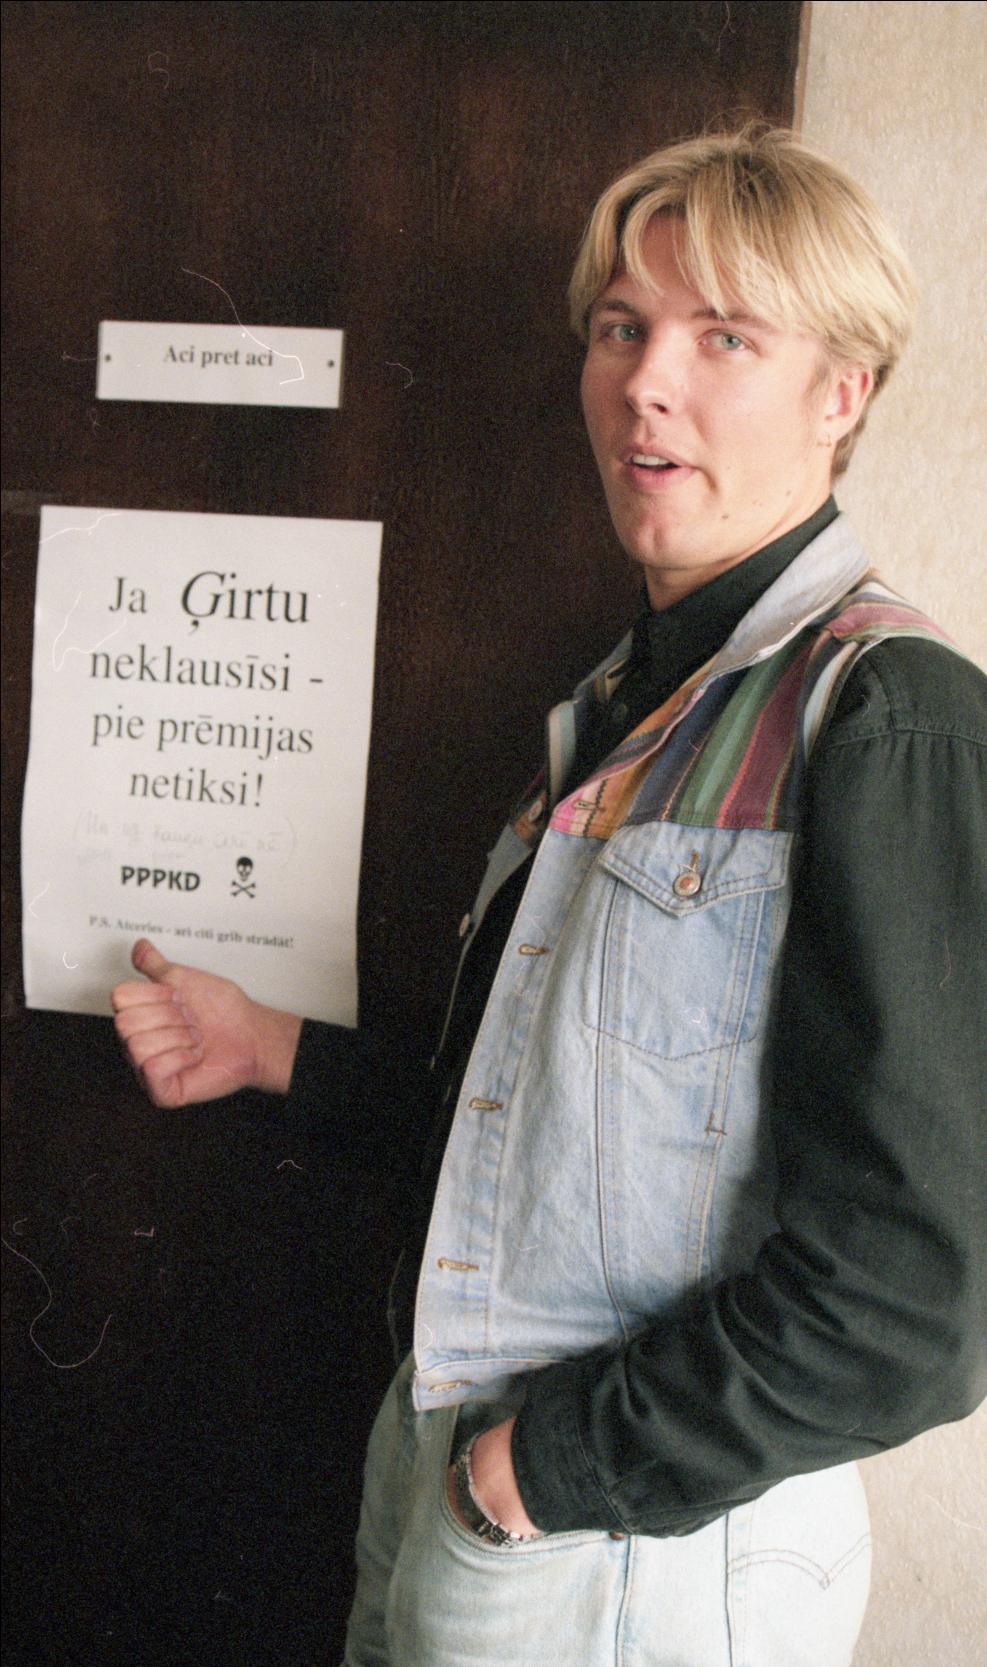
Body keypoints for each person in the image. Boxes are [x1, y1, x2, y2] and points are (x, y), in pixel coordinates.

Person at [112, 128, 987, 1666]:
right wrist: (275, 1050)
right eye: (621, 328)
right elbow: (547, 1146)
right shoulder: (624, 708)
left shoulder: (888, 718)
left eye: (726, 337)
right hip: (459, 1475)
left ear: (841, 393)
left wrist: (533, 1479)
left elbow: (919, 1298)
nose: (649, 382)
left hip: (625, 1545)